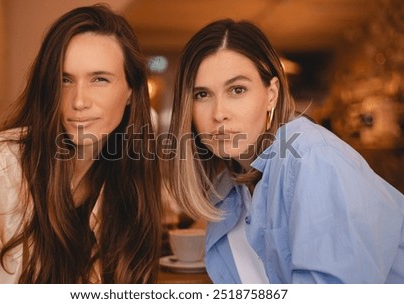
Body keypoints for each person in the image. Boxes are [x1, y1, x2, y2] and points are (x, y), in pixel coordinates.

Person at [166, 18, 404, 283]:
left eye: (237, 90)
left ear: (271, 94)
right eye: (202, 95)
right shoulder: (230, 185)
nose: (219, 113)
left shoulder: (310, 156)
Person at [0, 4, 162, 283]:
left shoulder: (121, 174)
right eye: (64, 80)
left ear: (131, 92)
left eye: (99, 79)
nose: (78, 101)